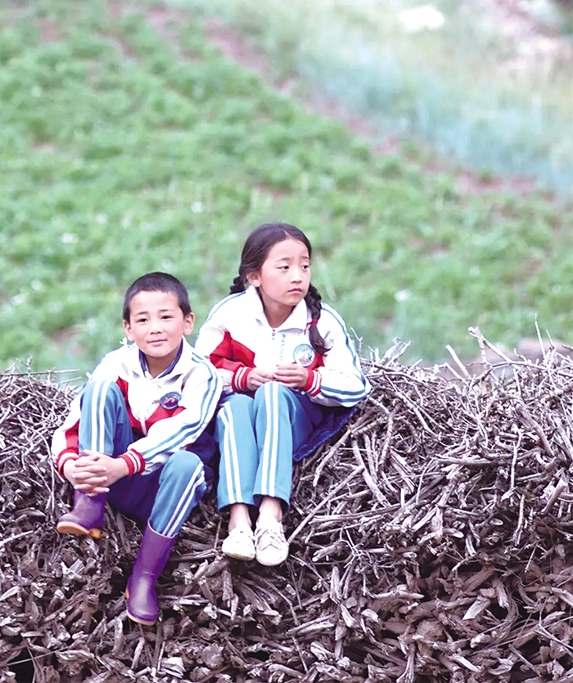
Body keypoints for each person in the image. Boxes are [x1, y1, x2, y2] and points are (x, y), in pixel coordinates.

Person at [195, 223, 370, 567]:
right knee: (234, 409)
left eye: (304, 266)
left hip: (298, 419)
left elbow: (356, 385)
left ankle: (270, 519)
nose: (297, 276)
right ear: (253, 276)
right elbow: (195, 376)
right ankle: (239, 521)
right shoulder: (230, 316)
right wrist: (242, 378)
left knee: (274, 393)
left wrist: (310, 380)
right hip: (240, 415)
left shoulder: (322, 321)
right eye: (284, 266)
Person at [52, 272, 221, 625]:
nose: (155, 328)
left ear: (188, 322)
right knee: (98, 391)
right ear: (128, 329)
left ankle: (143, 578)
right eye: (142, 320)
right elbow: (75, 419)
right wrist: (70, 466)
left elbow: (183, 430)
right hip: (110, 478)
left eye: (166, 317)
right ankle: (88, 504)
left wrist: (124, 464)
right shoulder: (117, 364)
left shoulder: (201, 375)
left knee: (188, 464)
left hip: (163, 490)